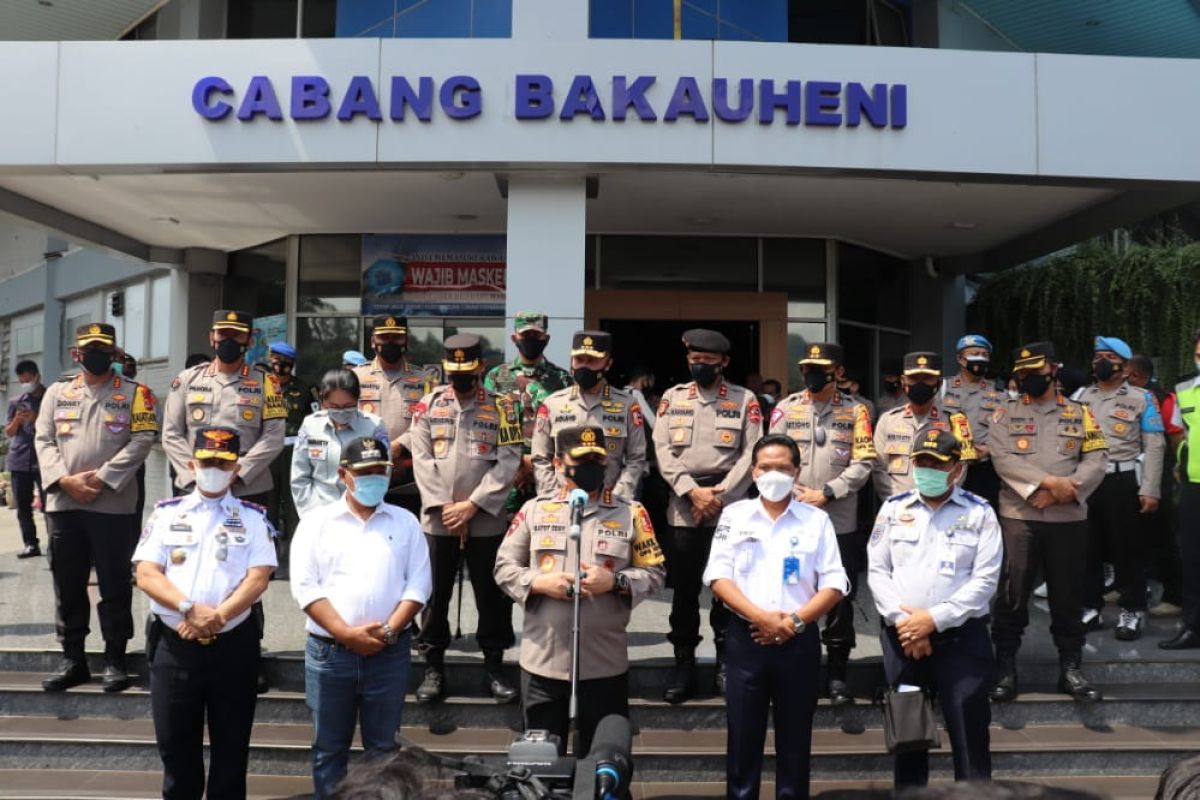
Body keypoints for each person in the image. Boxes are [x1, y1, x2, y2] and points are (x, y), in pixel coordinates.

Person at [495, 424, 665, 756]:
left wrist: (615, 581)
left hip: (603, 665)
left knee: (603, 759)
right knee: (542, 763)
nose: (590, 467)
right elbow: (503, 567)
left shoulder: (631, 512)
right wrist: (538, 583)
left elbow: (655, 572)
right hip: (544, 663)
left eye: (596, 460)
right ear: (558, 463)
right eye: (580, 459)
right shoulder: (535, 509)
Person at [133, 427, 276, 800]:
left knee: (231, 754)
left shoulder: (253, 518)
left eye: (223, 462)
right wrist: (188, 609)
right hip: (174, 646)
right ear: (191, 463)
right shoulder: (166, 514)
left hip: (233, 647)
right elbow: (146, 573)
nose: (214, 467)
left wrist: (217, 617)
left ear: (236, 468)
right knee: (176, 752)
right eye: (207, 461)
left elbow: (259, 578)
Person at [703, 434, 847, 800]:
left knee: (796, 741)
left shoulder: (816, 520)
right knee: (742, 740)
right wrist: (763, 619)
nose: (774, 474)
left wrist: (794, 623)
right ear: (753, 472)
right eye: (766, 467)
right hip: (746, 639)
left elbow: (834, 583)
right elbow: (718, 577)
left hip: (799, 642)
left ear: (797, 472)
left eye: (783, 468)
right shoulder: (734, 516)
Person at [290, 436, 432, 799]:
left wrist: (387, 631)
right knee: (329, 750)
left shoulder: (405, 522)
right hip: (330, 654)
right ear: (343, 475)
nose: (374, 479)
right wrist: (346, 634)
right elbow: (305, 588)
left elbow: (418, 586)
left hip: (389, 652)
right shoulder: (316, 522)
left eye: (380, 471)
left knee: (384, 751)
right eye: (365, 472)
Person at [868, 426, 1001, 789]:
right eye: (920, 462)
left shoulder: (980, 513)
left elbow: (985, 582)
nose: (926, 469)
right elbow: (878, 571)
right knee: (908, 740)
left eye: (936, 463)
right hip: (904, 641)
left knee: (970, 739)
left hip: (961, 642)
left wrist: (932, 620)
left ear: (956, 468)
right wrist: (905, 623)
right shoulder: (893, 509)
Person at [162, 309, 286, 693]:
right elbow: (171, 433)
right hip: (195, 490)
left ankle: (251, 651)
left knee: (249, 573)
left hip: (248, 491)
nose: (229, 340)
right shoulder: (187, 380)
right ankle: (181, 638)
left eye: (237, 335)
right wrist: (196, 474)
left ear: (249, 340)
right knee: (189, 565)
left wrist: (239, 471)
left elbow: (274, 434)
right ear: (211, 337)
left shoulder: (267, 383)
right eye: (222, 334)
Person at [34, 322, 158, 692]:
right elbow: (43, 439)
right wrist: (64, 480)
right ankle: (73, 658)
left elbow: (143, 440)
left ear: (115, 352)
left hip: (113, 504)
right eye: (89, 348)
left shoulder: (138, 393)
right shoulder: (57, 392)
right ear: (76, 353)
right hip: (64, 503)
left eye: (103, 348)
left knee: (115, 582)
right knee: (68, 584)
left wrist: (102, 479)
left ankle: (115, 658)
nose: (96, 354)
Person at [988, 342, 1108, 702]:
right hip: (1020, 517)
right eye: (1022, 374)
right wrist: (1045, 484)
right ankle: (1006, 667)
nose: (1028, 379)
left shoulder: (1080, 413)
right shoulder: (1004, 413)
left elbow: (1097, 458)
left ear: (1053, 370)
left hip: (1067, 517)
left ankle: (1070, 667)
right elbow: (1002, 458)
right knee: (1013, 594)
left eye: (1034, 373)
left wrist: (1064, 491)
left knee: (1068, 595)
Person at [409, 334, 523, 704]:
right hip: (440, 520)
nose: (460, 378)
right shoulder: (428, 404)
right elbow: (422, 459)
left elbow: (508, 460)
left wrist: (472, 505)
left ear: (481, 367)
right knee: (434, 593)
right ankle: (434, 667)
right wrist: (445, 506)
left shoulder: (503, 407)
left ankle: (494, 665)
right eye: (453, 370)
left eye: (467, 370)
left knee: (491, 595)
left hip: (485, 518)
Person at [653, 329, 762, 703]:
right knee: (684, 593)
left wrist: (719, 494)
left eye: (708, 362)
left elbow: (752, 453)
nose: (700, 366)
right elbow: (662, 450)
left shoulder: (744, 400)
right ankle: (682, 664)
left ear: (724, 363)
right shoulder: (672, 398)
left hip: (728, 507)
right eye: (694, 360)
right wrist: (690, 491)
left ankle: (725, 663)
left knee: (728, 590)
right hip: (684, 507)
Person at [768, 342, 876, 706]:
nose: (811, 375)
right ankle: (798, 666)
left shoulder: (858, 411)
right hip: (793, 512)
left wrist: (829, 492)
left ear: (837, 373)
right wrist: (792, 491)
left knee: (839, 595)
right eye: (806, 368)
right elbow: (774, 454)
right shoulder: (786, 408)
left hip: (837, 516)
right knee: (794, 585)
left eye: (819, 368)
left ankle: (838, 673)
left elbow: (864, 462)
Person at [1075, 336, 1165, 640]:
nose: (1100, 361)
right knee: (1088, 549)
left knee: (1127, 549)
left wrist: (1150, 488)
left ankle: (1133, 610)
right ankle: (1089, 607)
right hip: (1086, 482)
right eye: (1097, 356)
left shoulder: (1143, 399)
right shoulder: (1080, 397)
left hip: (1122, 481)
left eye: (1108, 357)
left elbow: (1154, 446)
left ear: (1125, 366)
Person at [530, 330, 647, 500]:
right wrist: (553, 497)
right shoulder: (552, 404)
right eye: (579, 360)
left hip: (610, 504)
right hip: (561, 503)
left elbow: (636, 459)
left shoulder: (627, 406)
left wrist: (617, 498)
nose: (584, 366)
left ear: (607, 363)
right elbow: (541, 458)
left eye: (592, 361)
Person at [483, 311, 572, 513]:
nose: (531, 340)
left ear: (546, 339)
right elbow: (487, 425)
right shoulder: (498, 377)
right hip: (508, 475)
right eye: (526, 336)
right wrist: (519, 462)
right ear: (515, 338)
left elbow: (568, 426)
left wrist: (540, 462)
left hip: (550, 474)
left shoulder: (562, 379)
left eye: (536, 336)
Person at [351, 315, 441, 510]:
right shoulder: (356, 377)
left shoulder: (425, 380)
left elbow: (432, 422)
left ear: (406, 340)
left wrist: (400, 446)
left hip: (408, 474)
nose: (390, 343)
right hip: (365, 470)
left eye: (396, 338)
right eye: (384, 338)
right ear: (373, 341)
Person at [873, 352, 976, 502]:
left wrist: (940, 498)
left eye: (927, 378)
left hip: (941, 506)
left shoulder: (956, 420)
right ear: (903, 381)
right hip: (898, 509)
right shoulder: (887, 420)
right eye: (914, 378)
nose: (920, 384)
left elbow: (961, 467)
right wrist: (897, 501)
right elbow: (878, 468)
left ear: (939, 383)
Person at [1128, 353, 1182, 618]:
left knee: (1162, 539)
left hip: (1155, 479)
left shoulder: (1158, 400)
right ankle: (1130, 586)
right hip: (1134, 477)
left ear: (1136, 376)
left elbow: (1166, 443)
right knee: (1136, 539)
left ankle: (1174, 595)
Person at [291, 369, 388, 518]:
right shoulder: (310, 426)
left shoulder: (374, 427)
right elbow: (300, 477)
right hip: (319, 513)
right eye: (334, 407)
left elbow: (383, 475)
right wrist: (313, 516)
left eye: (348, 405)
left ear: (357, 400)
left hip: (364, 513)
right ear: (323, 401)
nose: (341, 411)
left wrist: (363, 512)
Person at [1161, 331, 1200, 650]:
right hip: (1193, 486)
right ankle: (1193, 626)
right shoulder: (1185, 389)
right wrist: (1182, 459)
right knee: (1192, 556)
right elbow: (1178, 431)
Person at [941, 334, 1006, 509]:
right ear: (960, 359)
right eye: (975, 353)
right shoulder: (942, 388)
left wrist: (989, 449)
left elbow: (1008, 431)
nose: (981, 358)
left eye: (985, 355)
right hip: (948, 466)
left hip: (983, 469)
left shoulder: (1000, 394)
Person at [265, 341, 312, 544]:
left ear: (292, 363)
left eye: (286, 361)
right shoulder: (261, 386)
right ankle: (268, 559)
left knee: (294, 504)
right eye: (277, 360)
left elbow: (312, 420)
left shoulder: (304, 389)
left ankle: (295, 555)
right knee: (268, 503)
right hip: (267, 451)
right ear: (270, 360)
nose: (281, 364)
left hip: (294, 450)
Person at [7, 359, 46, 558]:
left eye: (28, 380)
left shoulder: (51, 398)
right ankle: (31, 544)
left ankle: (55, 546)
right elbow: (9, 432)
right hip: (20, 459)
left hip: (44, 460)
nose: (26, 384)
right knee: (23, 506)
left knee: (50, 505)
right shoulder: (16, 401)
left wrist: (35, 418)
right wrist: (18, 419)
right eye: (22, 381)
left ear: (37, 376)